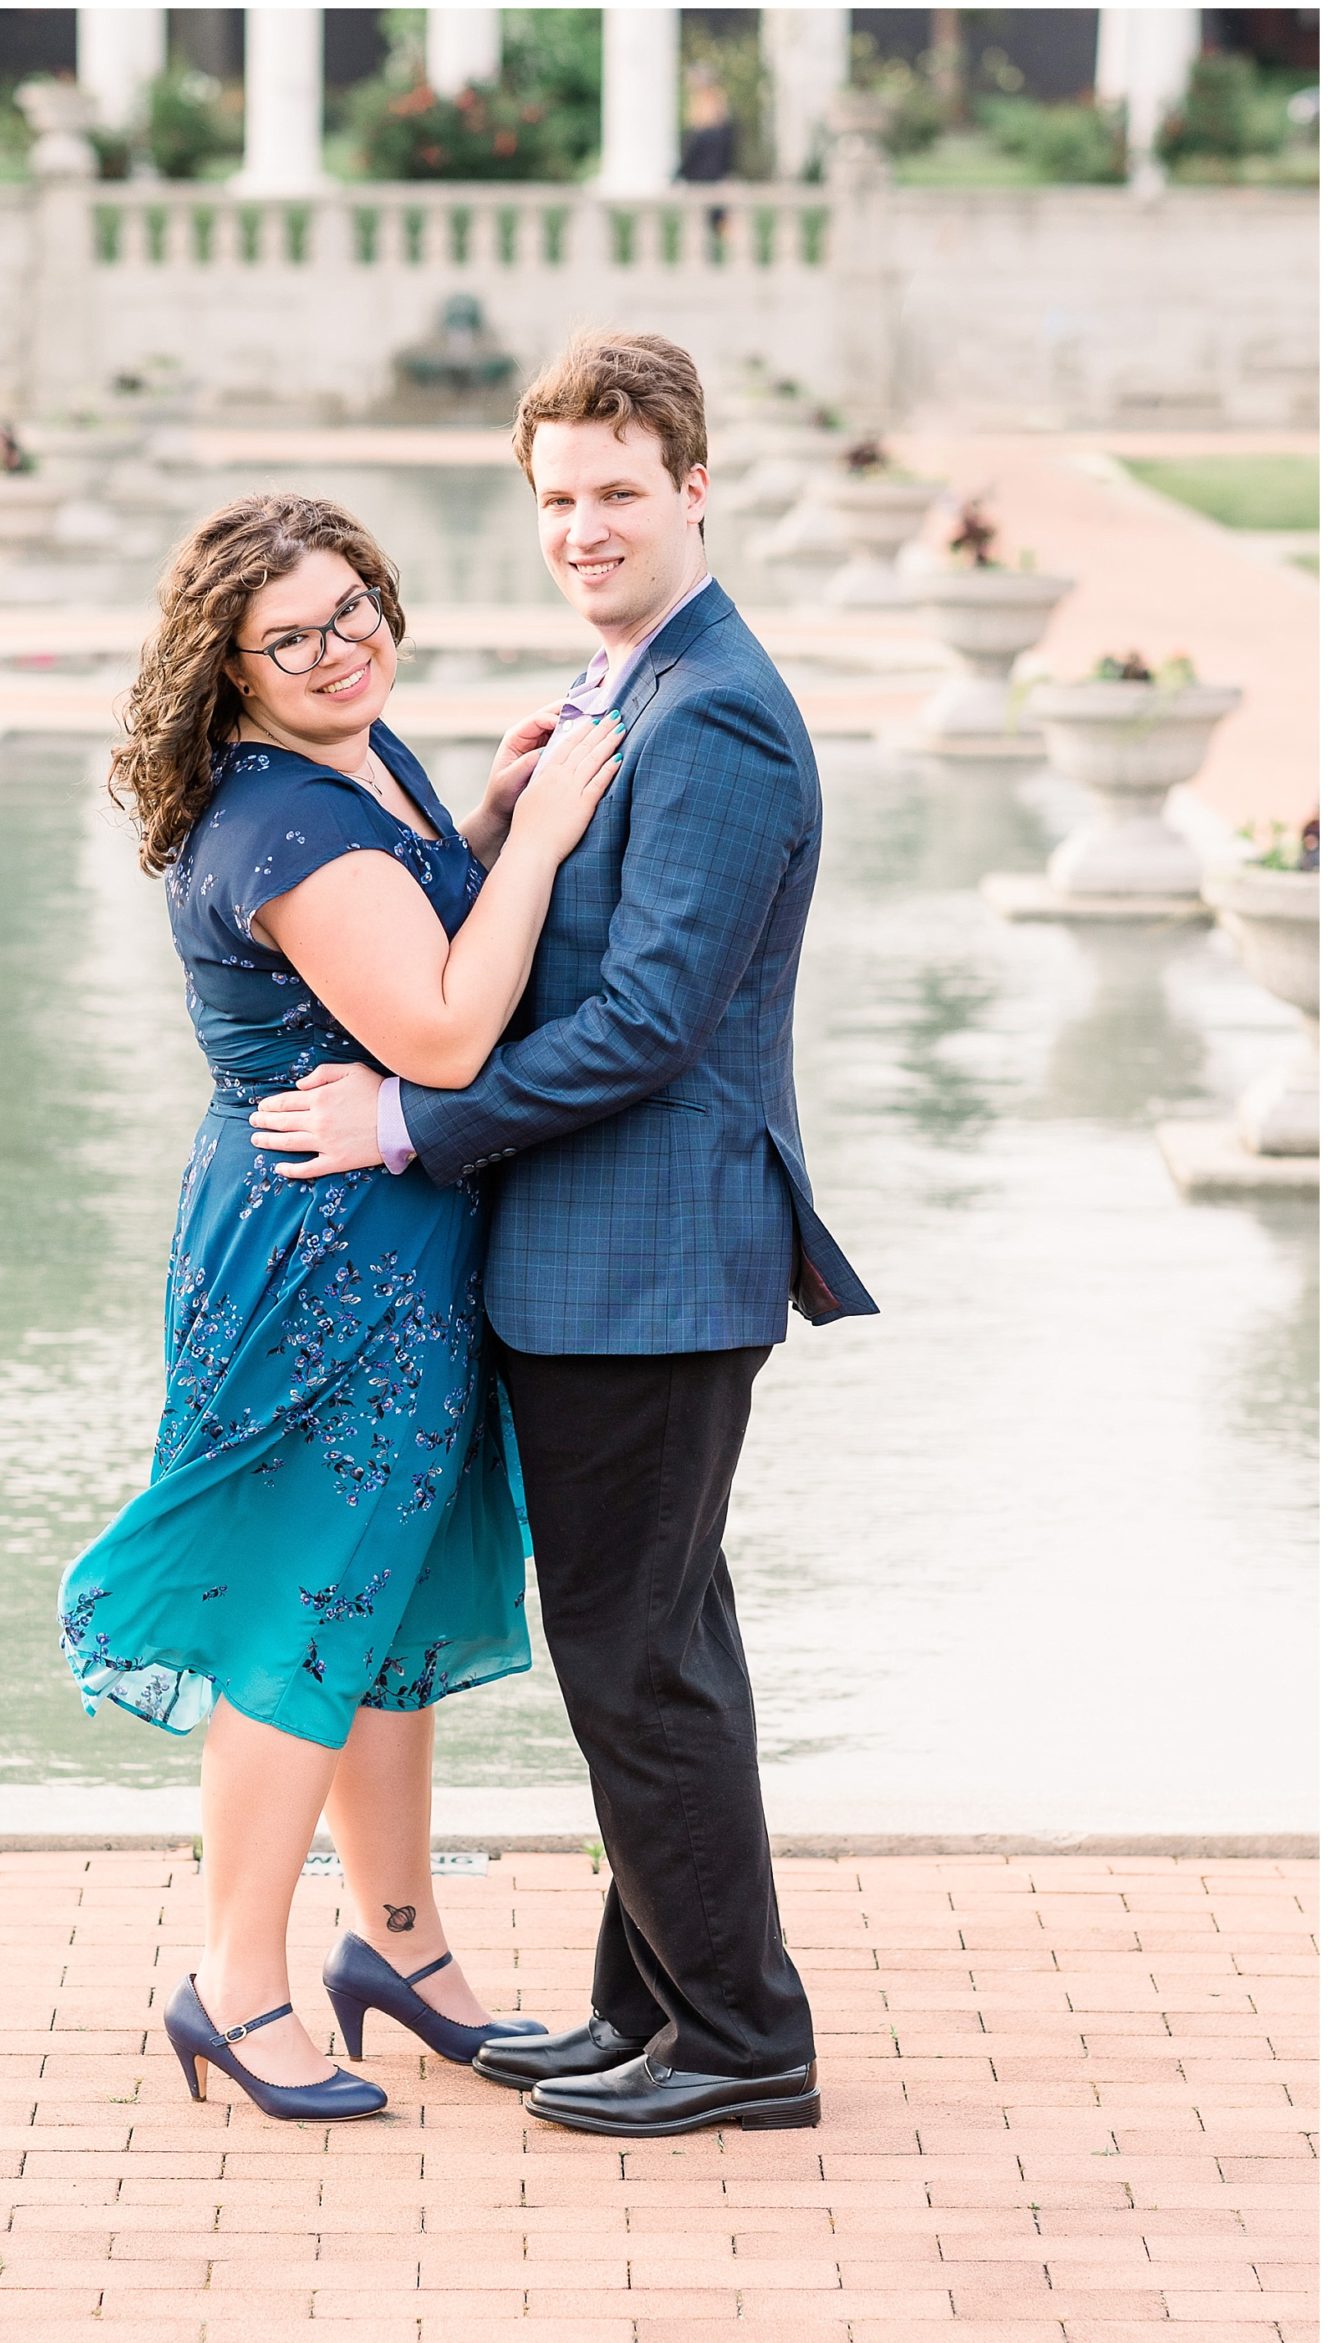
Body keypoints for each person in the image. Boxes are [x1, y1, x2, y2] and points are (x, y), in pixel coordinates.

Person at [250, 333, 878, 2141]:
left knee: (637, 1659)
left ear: (695, 487)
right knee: (650, 1645)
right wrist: (502, 818)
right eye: (557, 497)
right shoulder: (630, 682)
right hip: (601, 1261)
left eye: (619, 491)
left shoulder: (718, 711)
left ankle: (744, 2043)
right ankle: (650, 2010)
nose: (584, 527)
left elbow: (651, 1023)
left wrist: (407, 1120)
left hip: (652, 1264)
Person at [58, 491, 621, 2122]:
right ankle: (234, 1982)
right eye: (289, 637)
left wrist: (485, 819)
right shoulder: (286, 823)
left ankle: (399, 1947)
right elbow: (441, 1036)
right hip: (321, 1257)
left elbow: (416, 940)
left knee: (379, 1598)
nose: (335, 649)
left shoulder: (362, 764)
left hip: (392, 1231)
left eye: (352, 608)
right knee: (300, 1607)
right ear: (228, 667)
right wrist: (540, 842)